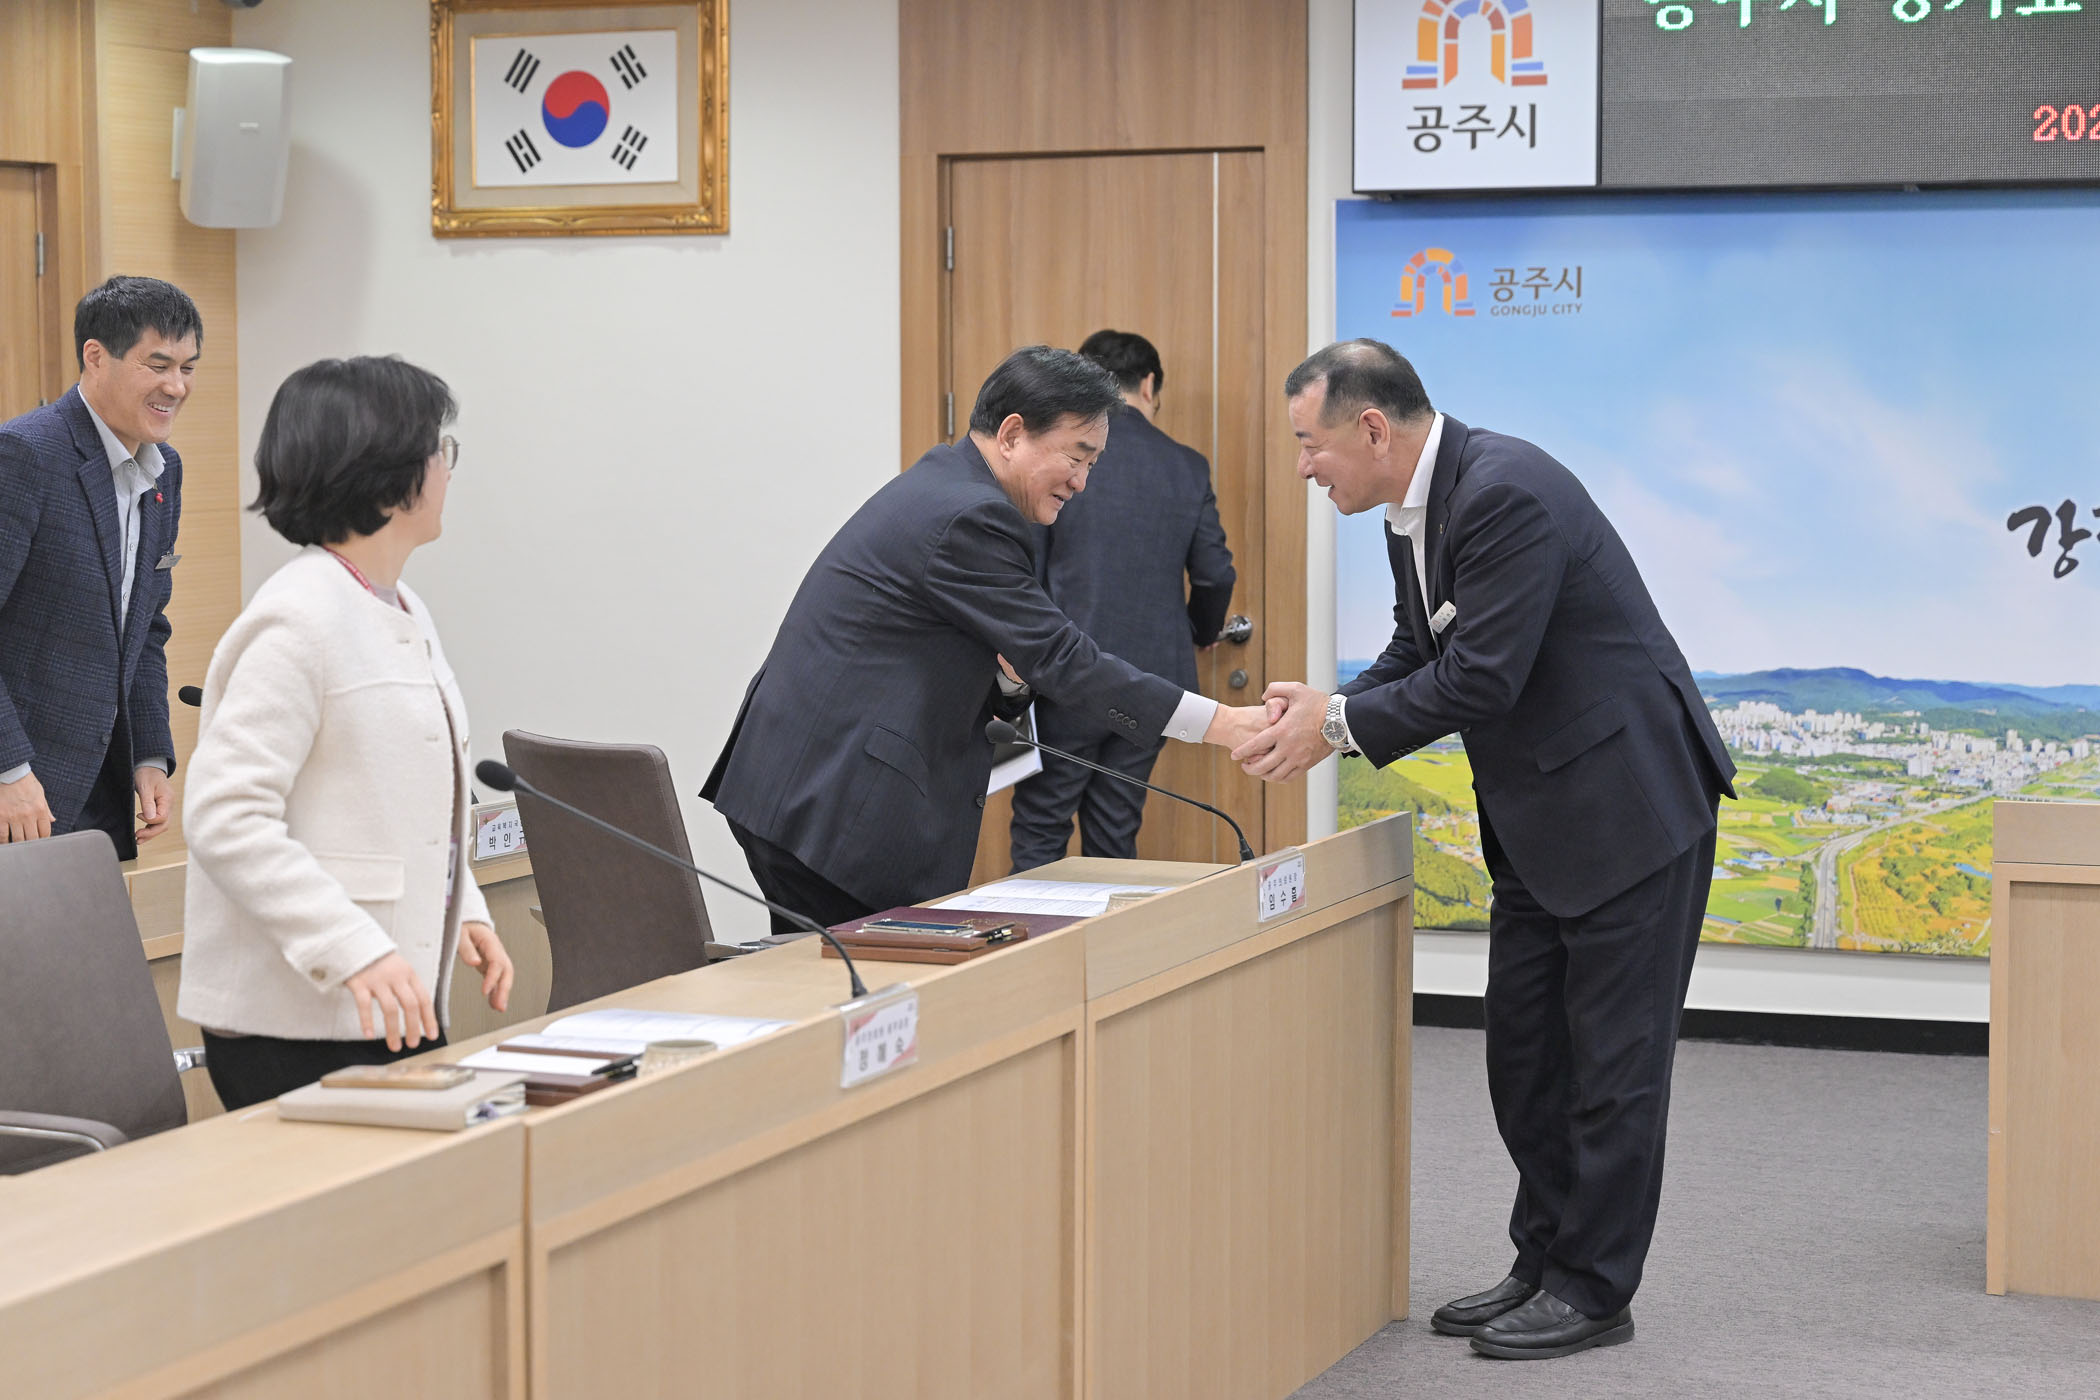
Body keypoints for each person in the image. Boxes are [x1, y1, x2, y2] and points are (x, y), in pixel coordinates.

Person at [1238, 339, 1735, 1361]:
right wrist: (1331, 704)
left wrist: (1336, 727)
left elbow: (1482, 678)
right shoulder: (1414, 513)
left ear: (1372, 427)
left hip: (1628, 812)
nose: (1303, 467)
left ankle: (1594, 1288)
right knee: (1526, 1057)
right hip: (1543, 821)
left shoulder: (1505, 493)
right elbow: (1418, 650)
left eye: (1309, 444)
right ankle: (1542, 1260)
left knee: (1613, 1067)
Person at [704, 345, 1270, 930]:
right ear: (1012, 434)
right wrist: (1225, 723)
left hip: (808, 780)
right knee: (861, 975)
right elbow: (1061, 656)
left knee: (850, 970)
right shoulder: (970, 515)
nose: (1081, 482)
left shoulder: (949, 484)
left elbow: (981, 654)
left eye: (1093, 464)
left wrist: (1012, 678)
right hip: (834, 796)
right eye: (1076, 457)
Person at [176, 357, 513, 1110]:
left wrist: (464, 910)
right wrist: (352, 947)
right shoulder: (298, 619)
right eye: (439, 450)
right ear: (389, 475)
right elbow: (226, 818)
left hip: (389, 994)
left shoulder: (400, 606)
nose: (447, 470)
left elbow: (405, 805)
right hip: (297, 1019)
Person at [1008, 330, 1236, 869]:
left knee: (1042, 827)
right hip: (1152, 682)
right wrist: (1203, 632)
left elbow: (1026, 567)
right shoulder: (1186, 465)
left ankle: (1032, 927)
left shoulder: (1060, 459)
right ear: (1149, 385)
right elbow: (1214, 574)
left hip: (1064, 673)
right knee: (1116, 832)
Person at [0, 276, 199, 857]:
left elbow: (145, 628)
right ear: (95, 356)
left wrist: (149, 753)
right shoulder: (24, 455)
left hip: (102, 787)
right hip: (19, 789)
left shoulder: (165, 471)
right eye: (158, 365)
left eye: (187, 368)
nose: (176, 386)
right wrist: (9, 769)